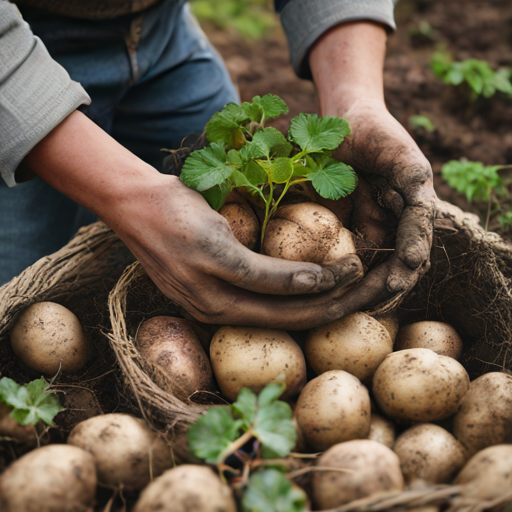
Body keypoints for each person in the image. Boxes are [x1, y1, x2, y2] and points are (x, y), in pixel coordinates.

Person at [0, 0, 435, 329]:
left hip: (163, 30)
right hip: (14, 51)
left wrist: (353, 100)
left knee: (209, 245)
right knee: (21, 307)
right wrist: (130, 196)